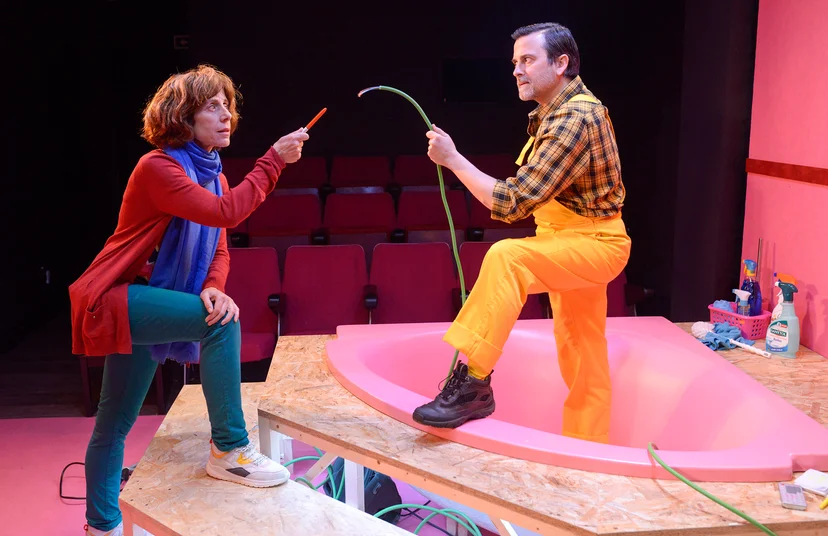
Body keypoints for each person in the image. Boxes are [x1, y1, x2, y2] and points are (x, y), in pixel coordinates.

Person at [70, 64, 309, 536]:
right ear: (183, 116)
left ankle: (100, 527)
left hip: (148, 299)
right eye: (212, 107)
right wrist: (273, 161)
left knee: (113, 423)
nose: (226, 116)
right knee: (220, 325)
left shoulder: (213, 174)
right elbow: (227, 213)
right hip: (117, 297)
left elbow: (218, 245)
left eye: (228, 106)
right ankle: (229, 449)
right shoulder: (158, 167)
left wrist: (213, 285)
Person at [412, 23, 631, 445]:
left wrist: (454, 160)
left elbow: (513, 202)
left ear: (561, 63)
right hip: (568, 238)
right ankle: (589, 450)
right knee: (583, 354)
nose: (516, 70)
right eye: (515, 61)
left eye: (527, 60)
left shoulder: (575, 117)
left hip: (595, 243)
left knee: (507, 257)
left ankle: (474, 383)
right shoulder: (557, 112)